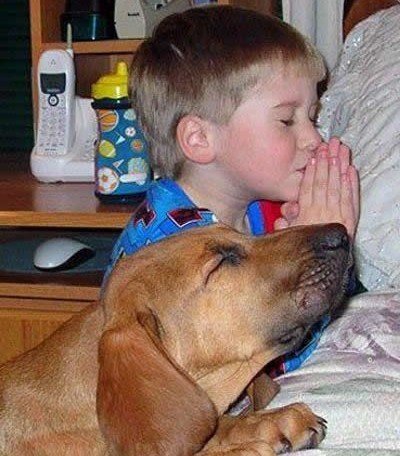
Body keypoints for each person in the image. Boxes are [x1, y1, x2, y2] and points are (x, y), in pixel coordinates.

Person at [104, 5, 359, 382]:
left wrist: (328, 252)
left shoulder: (262, 211)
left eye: (312, 117)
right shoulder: (173, 255)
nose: (314, 139)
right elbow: (256, 371)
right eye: (286, 120)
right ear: (199, 138)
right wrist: (311, 260)